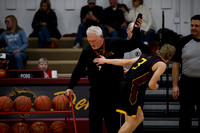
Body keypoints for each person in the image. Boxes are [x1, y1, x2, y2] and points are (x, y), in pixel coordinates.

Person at [66, 18, 142, 133]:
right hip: (96, 94)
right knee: (94, 126)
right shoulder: (87, 51)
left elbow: (133, 44)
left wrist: (136, 29)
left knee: (113, 125)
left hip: (114, 92)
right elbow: (78, 69)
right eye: (89, 41)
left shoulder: (114, 43)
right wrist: (70, 87)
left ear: (101, 37)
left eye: (94, 41)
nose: (92, 44)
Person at [93, 44, 176, 133]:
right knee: (130, 122)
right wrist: (155, 86)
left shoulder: (146, 55)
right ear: (170, 57)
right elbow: (151, 84)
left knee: (139, 118)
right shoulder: (161, 64)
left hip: (125, 84)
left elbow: (125, 62)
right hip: (131, 88)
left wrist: (106, 60)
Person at [172, 14, 200, 132]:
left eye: (197, 26)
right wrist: (174, 85)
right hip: (186, 83)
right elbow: (175, 64)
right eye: (192, 25)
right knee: (184, 116)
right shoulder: (183, 41)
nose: (193, 28)